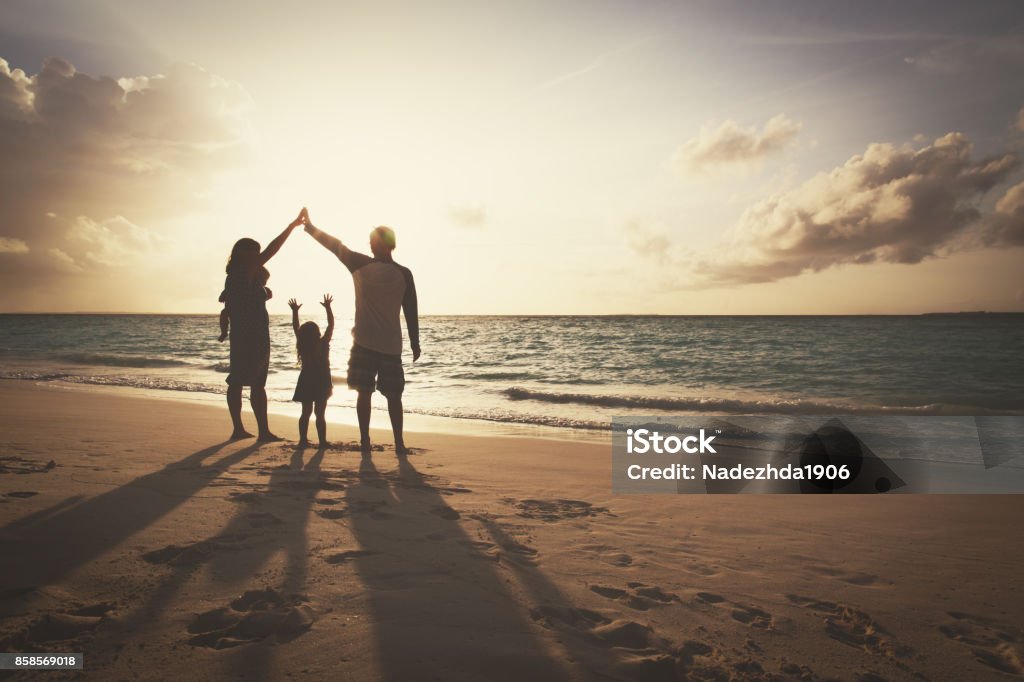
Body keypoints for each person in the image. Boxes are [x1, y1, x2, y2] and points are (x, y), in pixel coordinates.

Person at [302, 212, 420, 455]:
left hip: (374, 344)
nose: (370, 244)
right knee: (383, 395)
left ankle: (383, 441)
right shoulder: (388, 269)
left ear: (385, 244)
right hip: (380, 344)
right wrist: (311, 228)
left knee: (379, 395)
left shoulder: (373, 266)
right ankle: (380, 441)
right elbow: (335, 246)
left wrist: (311, 228)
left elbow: (410, 308)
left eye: (373, 240)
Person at [221, 208, 305, 441]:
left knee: (239, 380)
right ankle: (260, 432)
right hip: (251, 336)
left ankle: (241, 429)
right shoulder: (244, 270)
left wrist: (264, 292)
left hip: (246, 335)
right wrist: (292, 225)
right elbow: (273, 248)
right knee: (251, 383)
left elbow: (239, 300)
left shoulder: (236, 276)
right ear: (243, 254)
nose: (259, 258)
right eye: (255, 253)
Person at [289, 294, 335, 448]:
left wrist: (295, 312)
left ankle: (303, 440)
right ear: (317, 333)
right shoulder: (323, 343)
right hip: (322, 381)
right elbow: (331, 325)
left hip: (306, 379)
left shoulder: (302, 344)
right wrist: (328, 308)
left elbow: (296, 327)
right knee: (320, 414)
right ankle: (322, 442)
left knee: (305, 412)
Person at [219, 266, 271, 343]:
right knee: (224, 313)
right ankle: (224, 332)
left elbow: (268, 294)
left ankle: (224, 332)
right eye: (264, 280)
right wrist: (224, 294)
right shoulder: (246, 283)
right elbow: (230, 289)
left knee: (225, 313)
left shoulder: (261, 288)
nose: (265, 282)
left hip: (242, 311)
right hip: (234, 307)